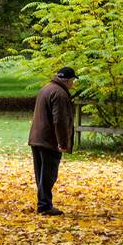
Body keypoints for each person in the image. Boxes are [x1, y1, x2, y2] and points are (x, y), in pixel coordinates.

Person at [28, 66, 76, 215]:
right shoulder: (60, 94)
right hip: (49, 140)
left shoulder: (46, 88)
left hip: (37, 137)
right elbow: (60, 121)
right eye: (73, 80)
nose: (73, 84)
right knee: (48, 174)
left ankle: (43, 204)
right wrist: (62, 143)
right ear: (67, 81)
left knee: (41, 174)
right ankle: (44, 206)